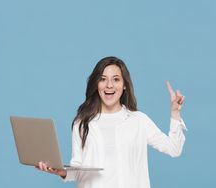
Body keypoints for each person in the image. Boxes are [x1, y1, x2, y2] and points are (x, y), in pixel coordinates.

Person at [37, 56, 187, 188]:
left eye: (116, 79)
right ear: (97, 84)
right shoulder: (82, 122)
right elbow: (78, 169)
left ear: (124, 85)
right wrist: (61, 172)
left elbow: (174, 149)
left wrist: (175, 112)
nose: (109, 85)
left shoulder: (139, 120)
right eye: (103, 79)